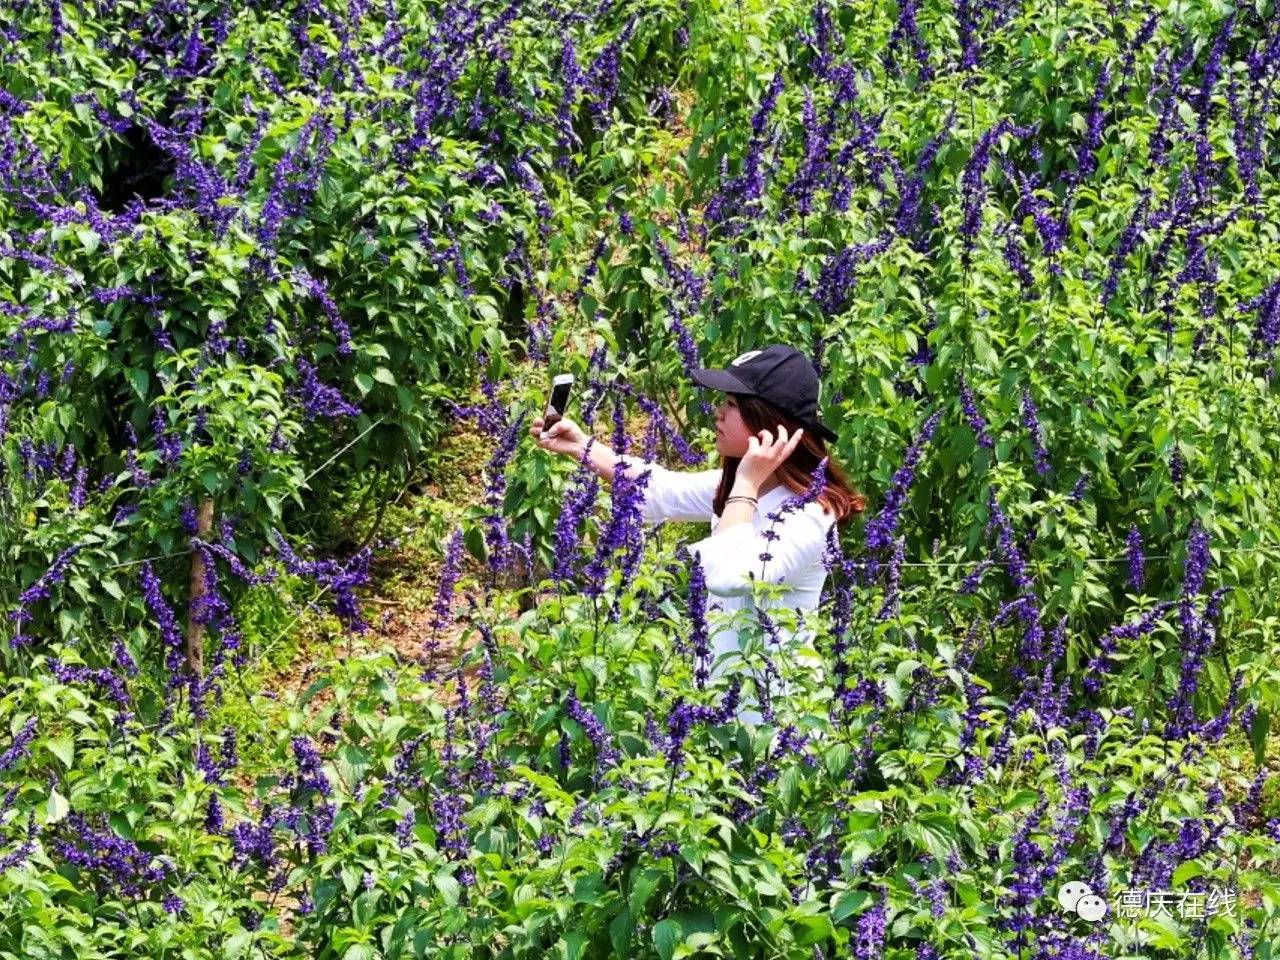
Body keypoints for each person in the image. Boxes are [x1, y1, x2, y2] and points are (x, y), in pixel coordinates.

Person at [530, 343, 866, 724]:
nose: (718, 412)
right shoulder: (745, 487)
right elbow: (658, 491)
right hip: (718, 711)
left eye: (733, 404)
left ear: (770, 421)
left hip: (775, 728)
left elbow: (729, 577)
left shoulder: (811, 514)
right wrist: (581, 447)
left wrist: (746, 481)